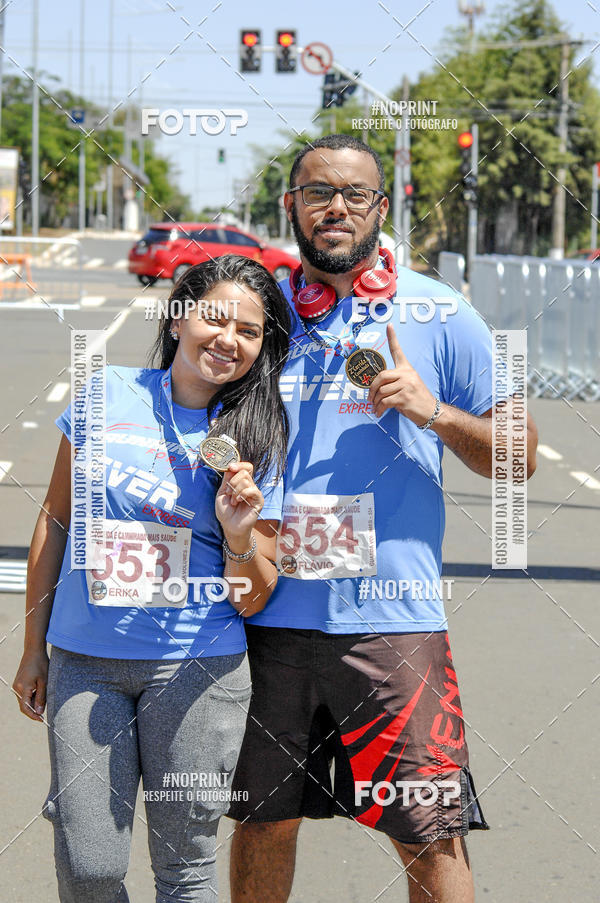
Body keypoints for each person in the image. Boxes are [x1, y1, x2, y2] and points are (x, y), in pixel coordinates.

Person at [228, 135, 539, 903]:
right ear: (291, 205)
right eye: (316, 192)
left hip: (393, 626)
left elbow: (520, 456)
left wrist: (432, 411)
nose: (335, 207)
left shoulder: (439, 312)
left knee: (428, 832)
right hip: (267, 617)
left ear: (381, 207)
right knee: (264, 822)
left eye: (354, 194)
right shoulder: (259, 313)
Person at [12, 255, 291, 903]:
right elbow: (55, 520)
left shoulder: (256, 437)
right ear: (177, 317)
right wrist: (32, 646)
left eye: (249, 331)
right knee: (89, 864)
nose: (229, 338)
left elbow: (254, 593)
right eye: (215, 317)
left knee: (185, 871)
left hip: (199, 671)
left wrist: (238, 532)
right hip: (87, 661)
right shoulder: (105, 392)